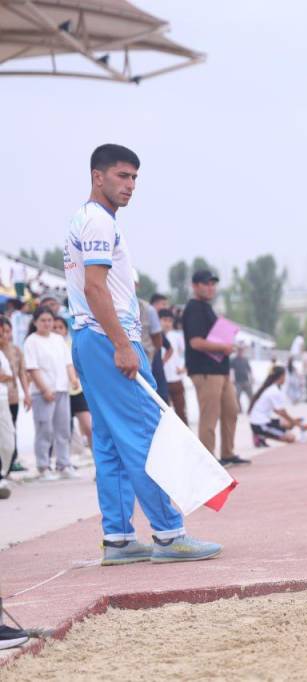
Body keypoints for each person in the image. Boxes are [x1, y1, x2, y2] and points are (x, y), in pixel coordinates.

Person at [66, 144, 220, 564]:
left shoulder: (86, 218)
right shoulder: (98, 221)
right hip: (107, 336)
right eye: (122, 176)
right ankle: (169, 534)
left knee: (110, 441)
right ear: (98, 176)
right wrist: (122, 344)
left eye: (134, 177)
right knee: (147, 435)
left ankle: (118, 538)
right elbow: (95, 287)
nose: (130, 185)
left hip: (89, 337)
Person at [182, 270, 249, 467]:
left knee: (231, 410)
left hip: (220, 369)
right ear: (195, 286)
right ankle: (208, 460)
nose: (210, 287)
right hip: (205, 371)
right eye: (206, 284)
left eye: (213, 284)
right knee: (209, 415)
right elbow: (196, 342)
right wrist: (223, 347)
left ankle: (228, 453)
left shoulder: (207, 308)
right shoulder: (194, 309)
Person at [24, 307, 78, 479]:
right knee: (44, 430)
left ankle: (64, 464)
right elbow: (32, 368)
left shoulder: (58, 339)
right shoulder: (31, 341)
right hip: (42, 393)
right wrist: (44, 389)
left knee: (63, 430)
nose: (47, 324)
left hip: (62, 389)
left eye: (49, 320)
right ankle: (43, 467)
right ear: (35, 322)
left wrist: (73, 379)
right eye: (43, 320)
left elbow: (68, 363)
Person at [54, 316, 93, 453]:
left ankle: (97, 458)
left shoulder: (72, 344)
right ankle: (65, 461)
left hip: (76, 391)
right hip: (58, 392)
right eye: (54, 328)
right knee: (64, 431)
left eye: (60, 327)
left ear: (66, 330)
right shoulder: (47, 345)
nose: (57, 330)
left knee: (88, 426)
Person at [248, 366, 307, 445]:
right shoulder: (274, 391)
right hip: (259, 424)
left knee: (288, 422)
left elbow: (277, 411)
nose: (285, 379)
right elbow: (282, 413)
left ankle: (261, 434)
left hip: (264, 421)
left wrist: (295, 423)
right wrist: (300, 426)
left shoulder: (270, 388)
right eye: (285, 376)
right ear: (281, 376)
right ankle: (259, 435)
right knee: (291, 438)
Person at [0, 315, 32, 475]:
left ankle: (11, 461)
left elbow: (22, 374)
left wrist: (26, 394)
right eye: (3, 332)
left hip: (12, 397)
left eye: (8, 331)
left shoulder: (16, 350)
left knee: (11, 429)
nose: (6, 335)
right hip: (2, 396)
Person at [159, 308, 188, 423]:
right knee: (164, 414)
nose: (167, 323)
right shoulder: (154, 336)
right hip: (161, 379)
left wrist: (184, 368)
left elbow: (186, 352)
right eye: (165, 320)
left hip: (176, 379)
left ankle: (185, 434)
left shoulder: (176, 336)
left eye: (170, 321)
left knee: (181, 412)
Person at [0, 342, 15, 499]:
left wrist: (6, 376)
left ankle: (2, 473)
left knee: (8, 443)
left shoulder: (2, 354)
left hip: (3, 400)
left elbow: (9, 376)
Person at [231, 345, 254, 412]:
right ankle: (239, 409)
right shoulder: (233, 360)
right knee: (237, 396)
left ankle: (251, 409)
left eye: (241, 351)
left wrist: (252, 378)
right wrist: (232, 378)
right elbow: (231, 370)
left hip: (246, 380)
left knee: (251, 396)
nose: (240, 352)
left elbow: (249, 370)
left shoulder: (245, 360)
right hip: (238, 381)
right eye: (239, 350)